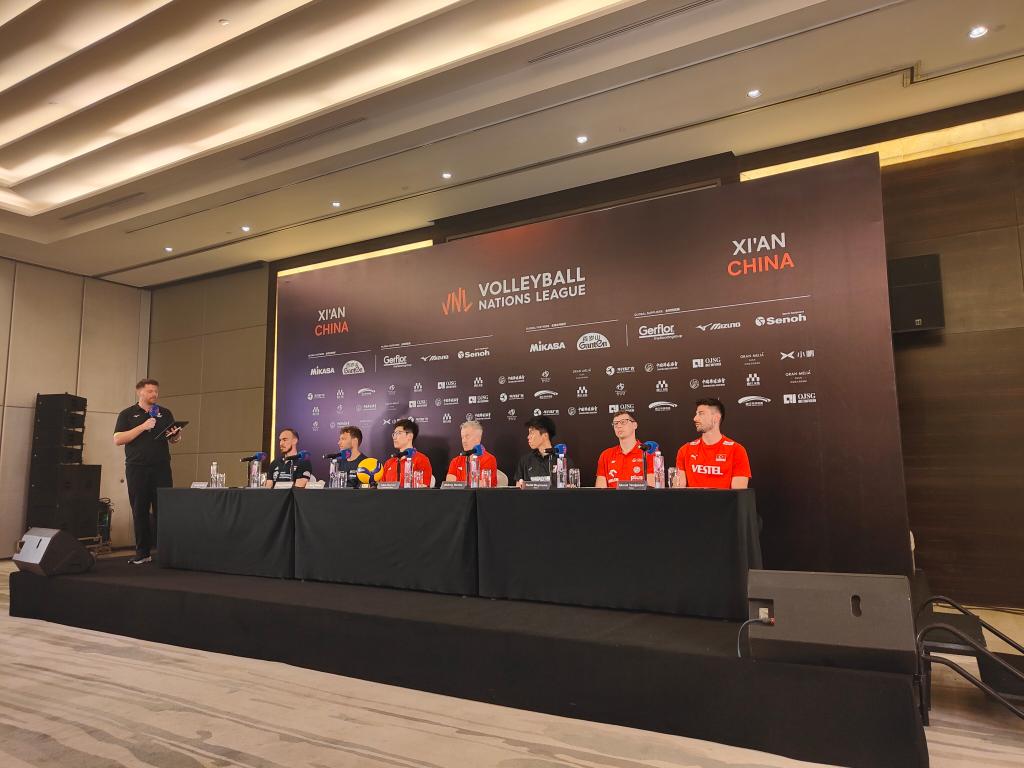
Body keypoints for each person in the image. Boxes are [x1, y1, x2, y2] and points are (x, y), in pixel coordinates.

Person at [113, 378, 182, 565]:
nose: (154, 394)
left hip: (161, 467)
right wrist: (142, 427)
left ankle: (166, 552)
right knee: (139, 509)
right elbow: (118, 439)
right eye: (150, 391)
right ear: (140, 392)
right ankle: (143, 552)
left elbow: (173, 440)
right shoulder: (127, 414)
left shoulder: (165, 413)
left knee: (164, 509)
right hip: (137, 468)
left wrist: (176, 435)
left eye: (156, 391)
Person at [674, 397, 751, 489]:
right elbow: (678, 490)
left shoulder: (737, 450)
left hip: (724, 499)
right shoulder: (685, 450)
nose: (695, 418)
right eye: (696, 414)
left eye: (701, 414)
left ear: (716, 418)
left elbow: (738, 493)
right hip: (692, 499)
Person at [595, 410, 654, 488]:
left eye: (623, 422)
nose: (618, 426)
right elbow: (600, 491)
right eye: (615, 423)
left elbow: (652, 489)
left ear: (634, 425)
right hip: (612, 497)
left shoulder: (648, 452)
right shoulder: (606, 455)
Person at [511, 415, 573, 487]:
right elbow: (518, 488)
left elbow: (571, 487)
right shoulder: (525, 460)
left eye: (531, 433)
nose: (528, 437)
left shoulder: (563, 460)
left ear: (545, 435)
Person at [381, 418, 433, 486]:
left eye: (398, 433)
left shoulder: (421, 460)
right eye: (394, 434)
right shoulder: (389, 463)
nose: (394, 437)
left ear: (410, 436)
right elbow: (382, 487)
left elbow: (424, 488)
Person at [445, 420, 498, 486]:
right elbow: (450, 484)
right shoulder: (455, 461)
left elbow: (483, 485)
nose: (464, 441)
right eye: (462, 437)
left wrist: (459, 484)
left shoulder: (488, 459)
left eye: (467, 437)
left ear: (478, 439)